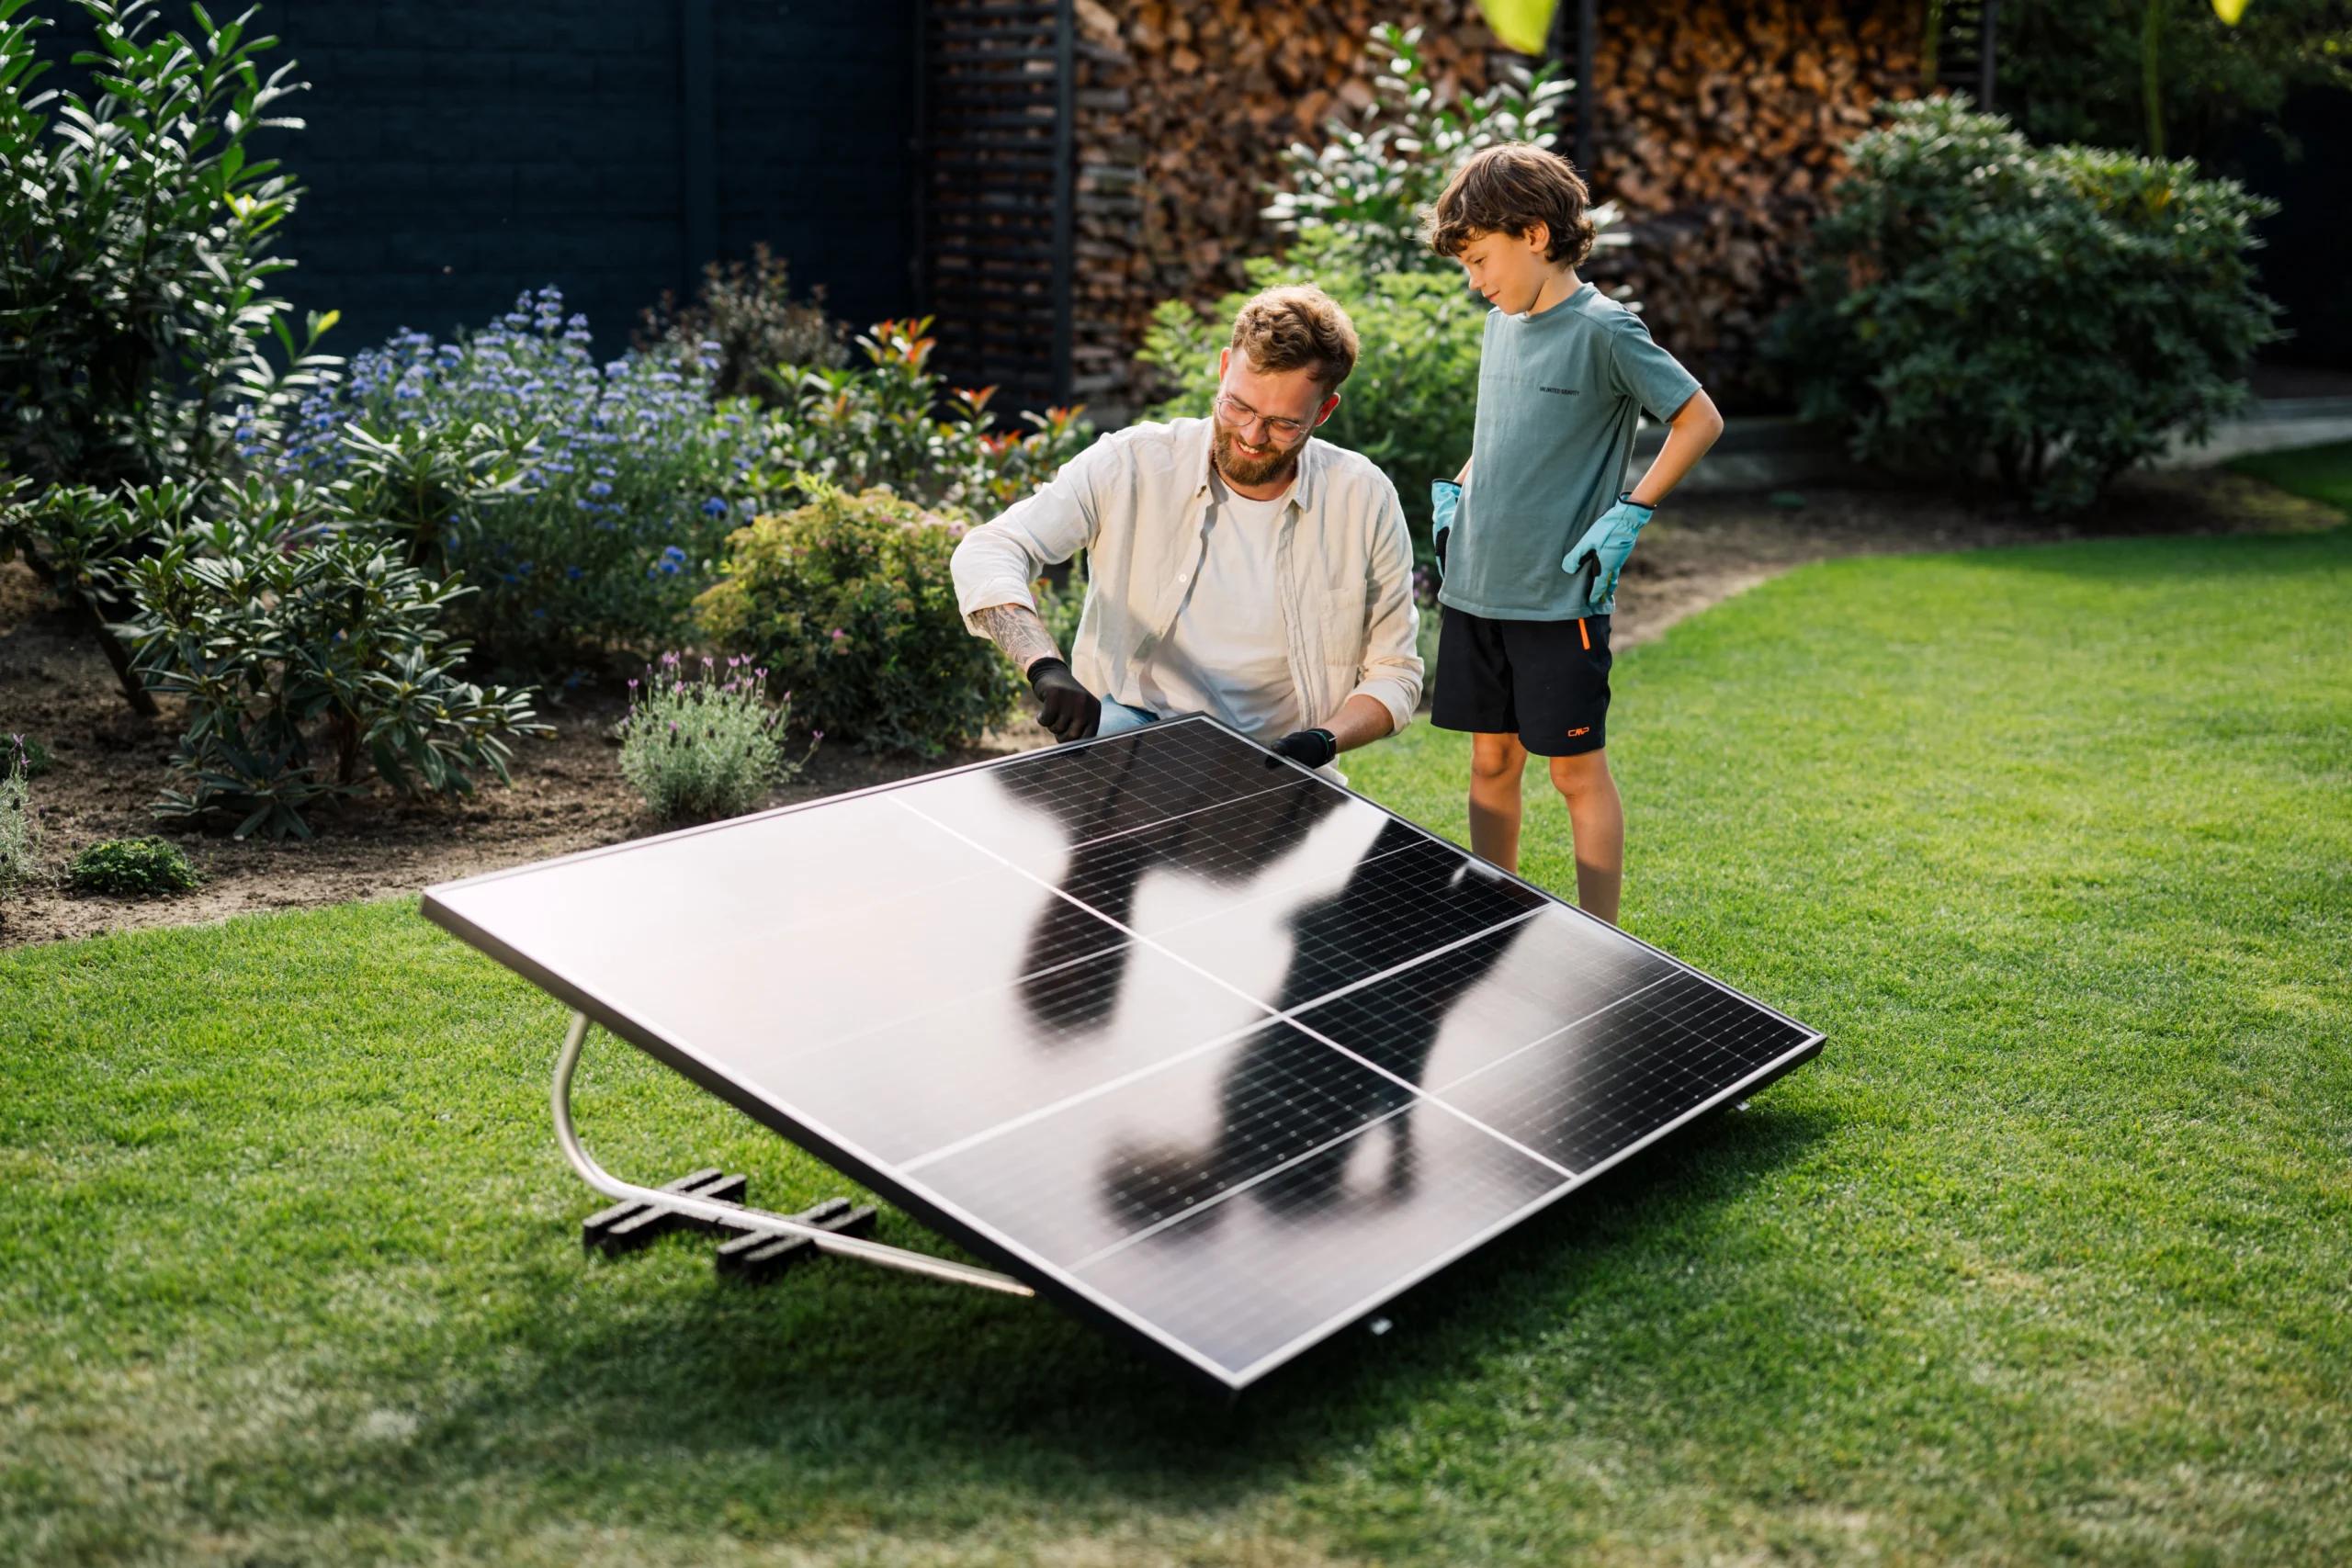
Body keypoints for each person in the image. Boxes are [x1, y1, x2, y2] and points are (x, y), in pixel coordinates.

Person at [1424, 143, 1725, 924]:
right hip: (1478, 589)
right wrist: (1462, 484)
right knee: (1491, 759)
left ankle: (1603, 934)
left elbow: (1700, 419)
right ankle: (1492, 910)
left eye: (1481, 259)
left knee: (1573, 773)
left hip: (1558, 598)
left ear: (1532, 233)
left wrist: (1634, 509)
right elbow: (1505, 429)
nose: (1476, 281)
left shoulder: (1606, 330)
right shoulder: (1501, 325)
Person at [949, 285, 1421, 777]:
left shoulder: (1363, 497)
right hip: (1133, 727)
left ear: (1322, 413)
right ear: (1223, 370)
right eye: (1237, 407)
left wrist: (1322, 741)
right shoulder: (1132, 463)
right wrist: (1044, 667)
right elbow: (990, 548)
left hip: (1280, 758)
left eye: (1283, 424)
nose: (1251, 437)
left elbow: (1397, 673)